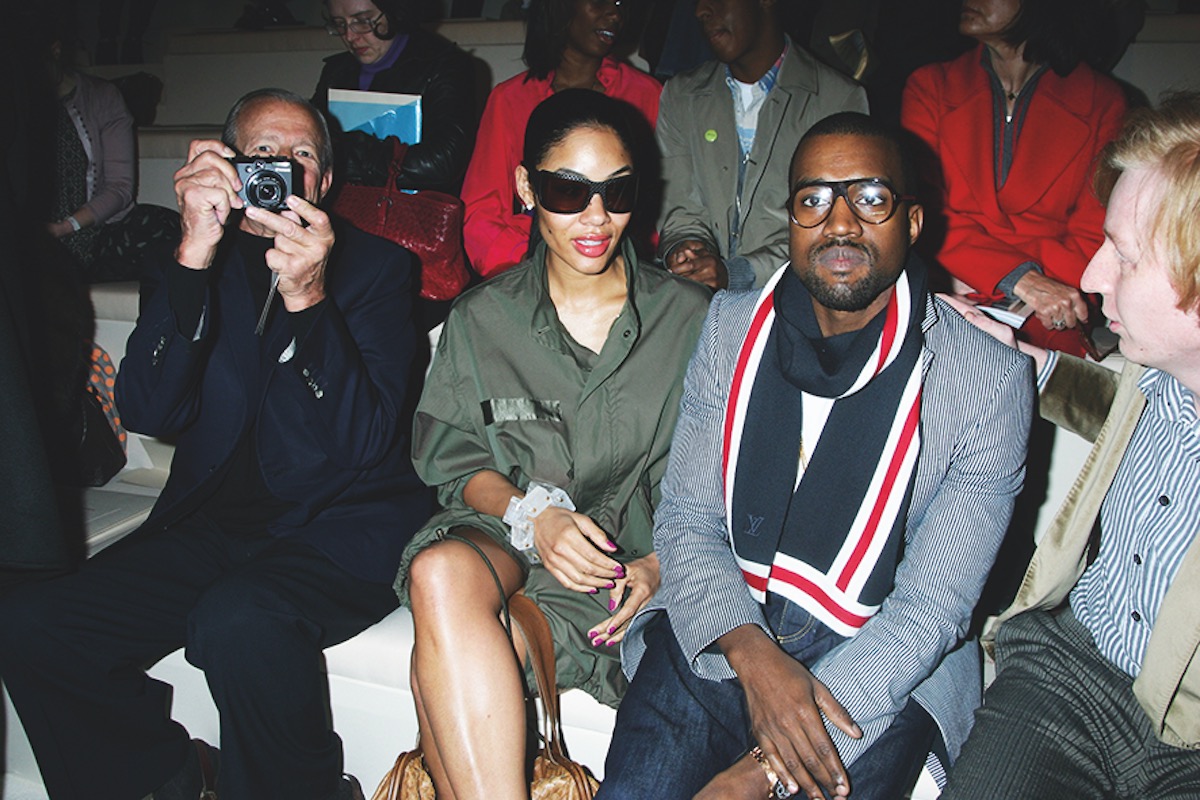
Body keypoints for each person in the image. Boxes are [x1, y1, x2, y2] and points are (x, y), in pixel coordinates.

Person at [0, 87, 431, 800]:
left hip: (338, 527)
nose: (281, 169)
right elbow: (147, 407)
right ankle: (166, 778)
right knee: (31, 624)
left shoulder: (376, 268)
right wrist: (194, 253)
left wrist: (310, 297)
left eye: (301, 156)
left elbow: (361, 443)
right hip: (211, 527)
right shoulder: (197, 257)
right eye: (262, 153)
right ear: (228, 165)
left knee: (239, 618)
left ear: (324, 182)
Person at [597, 112, 1034, 800]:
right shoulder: (732, 326)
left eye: (870, 198)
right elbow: (687, 519)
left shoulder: (987, 382)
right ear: (792, 220)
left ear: (913, 222)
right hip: (725, 621)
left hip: (876, 665)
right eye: (814, 200)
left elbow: (931, 607)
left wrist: (762, 771)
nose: (839, 223)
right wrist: (754, 655)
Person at [397, 89, 711, 798]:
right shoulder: (484, 317)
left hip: (620, 575)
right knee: (438, 573)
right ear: (525, 187)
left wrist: (663, 565)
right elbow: (454, 463)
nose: (595, 218)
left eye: (617, 191)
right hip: (503, 539)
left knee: (437, 668)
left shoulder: (692, 321)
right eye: (567, 191)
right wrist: (532, 516)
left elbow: (727, 479)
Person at [939, 91, 1200, 799]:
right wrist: (1024, 362)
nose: (1090, 278)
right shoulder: (1159, 370)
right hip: (1073, 672)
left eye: (1126, 257)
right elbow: (1126, 408)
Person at [901, 0, 1127, 355]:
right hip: (946, 285)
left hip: (1050, 304)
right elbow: (923, 213)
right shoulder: (930, 87)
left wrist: (1029, 287)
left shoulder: (1103, 102)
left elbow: (1094, 234)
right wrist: (1018, 279)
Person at [656, 0, 867, 292]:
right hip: (697, 304)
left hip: (794, 303)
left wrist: (738, 273)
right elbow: (679, 210)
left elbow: (833, 231)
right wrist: (685, 249)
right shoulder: (681, 95)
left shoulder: (837, 100)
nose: (700, 11)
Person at [460, 0, 661, 279]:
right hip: (524, 271)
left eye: (620, 3)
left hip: (622, 271)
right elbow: (481, 217)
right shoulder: (510, 99)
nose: (615, 14)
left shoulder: (646, 95)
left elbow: (657, 211)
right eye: (600, 1)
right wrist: (537, 270)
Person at [42, 15, 180, 283]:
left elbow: (120, 188)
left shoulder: (101, 97)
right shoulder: (16, 106)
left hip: (98, 231)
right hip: (32, 237)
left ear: (54, 50)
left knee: (166, 231)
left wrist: (65, 226)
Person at [313, 0, 477, 196]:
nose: (350, 36)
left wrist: (347, 155)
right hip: (344, 207)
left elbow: (443, 163)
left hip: (414, 215)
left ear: (394, 12)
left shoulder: (445, 66)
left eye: (364, 21)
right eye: (339, 23)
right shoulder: (336, 71)